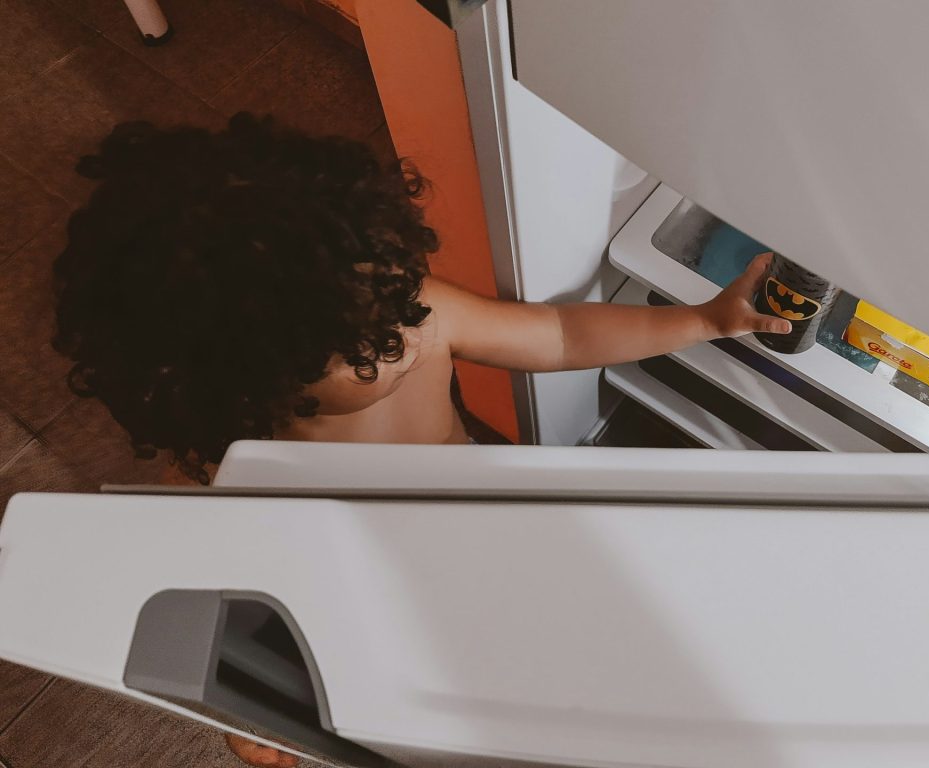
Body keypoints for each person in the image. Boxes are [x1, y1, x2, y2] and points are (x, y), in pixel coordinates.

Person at [52, 113, 790, 766]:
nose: (405, 336)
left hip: (493, 521)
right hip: (389, 599)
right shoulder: (252, 470)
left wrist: (699, 322)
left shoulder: (416, 312)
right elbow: (266, 604)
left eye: (397, 296)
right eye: (366, 347)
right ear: (265, 381)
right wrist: (263, 713)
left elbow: (561, 333)